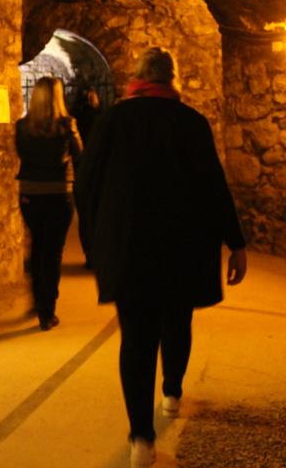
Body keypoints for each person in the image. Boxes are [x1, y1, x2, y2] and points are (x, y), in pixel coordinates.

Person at [74, 47, 247, 467]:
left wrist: (97, 240)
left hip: (130, 249)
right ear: (172, 80)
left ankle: (141, 439)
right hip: (182, 248)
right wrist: (235, 242)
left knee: (136, 340)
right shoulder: (191, 123)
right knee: (177, 322)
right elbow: (213, 186)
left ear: (135, 77)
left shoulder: (112, 121)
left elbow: (85, 185)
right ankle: (171, 392)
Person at [15, 76, 83, 331]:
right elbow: (79, 153)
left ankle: (37, 299)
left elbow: (21, 153)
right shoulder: (67, 125)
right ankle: (47, 310)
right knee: (53, 252)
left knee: (38, 245)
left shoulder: (23, 126)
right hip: (58, 192)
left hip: (30, 192)